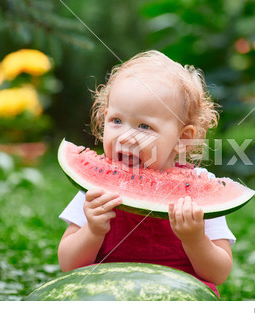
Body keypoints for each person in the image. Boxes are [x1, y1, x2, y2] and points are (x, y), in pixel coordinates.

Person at [57, 51, 235, 295]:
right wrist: (93, 230)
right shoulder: (94, 192)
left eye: (144, 126)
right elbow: (69, 265)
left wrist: (195, 239)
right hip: (108, 295)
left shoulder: (198, 194)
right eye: (116, 120)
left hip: (178, 297)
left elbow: (218, 273)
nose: (126, 136)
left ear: (182, 138)